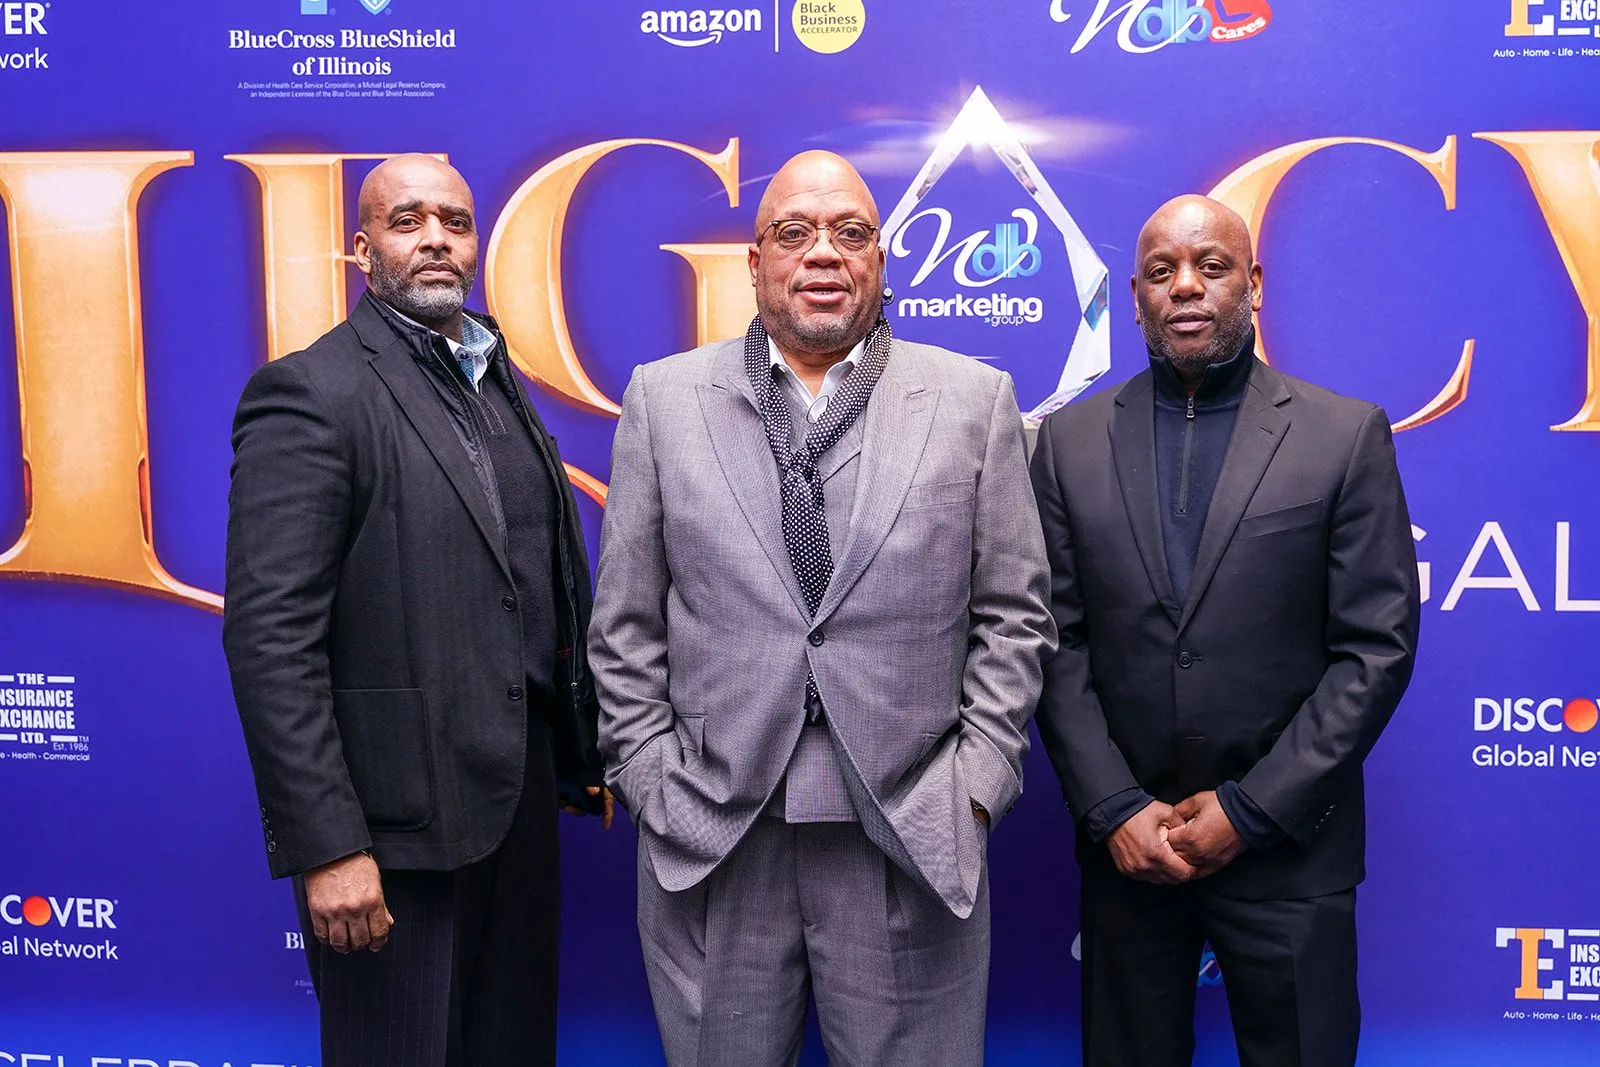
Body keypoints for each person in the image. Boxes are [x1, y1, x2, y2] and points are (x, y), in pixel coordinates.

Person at [589, 150, 1055, 1065]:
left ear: (879, 258)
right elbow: (625, 624)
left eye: (850, 232)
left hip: (913, 833)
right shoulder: (663, 400)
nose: (824, 252)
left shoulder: (973, 401)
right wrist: (649, 777)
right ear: (755, 260)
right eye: (795, 232)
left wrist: (975, 789)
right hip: (713, 833)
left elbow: (1015, 614)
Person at [222, 153, 610, 1067]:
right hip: (388, 837)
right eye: (407, 221)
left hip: (515, 808)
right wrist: (329, 846)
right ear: (362, 249)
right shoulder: (311, 392)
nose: (436, 238)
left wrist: (580, 748)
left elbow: (532, 575)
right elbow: (271, 638)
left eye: (455, 221)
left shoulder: (492, 372)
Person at [1030, 194, 1421, 1067]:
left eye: (1211, 266)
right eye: (1161, 271)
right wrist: (1113, 806)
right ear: (1135, 295)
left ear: (1254, 283)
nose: (1186, 286)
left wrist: (1251, 810)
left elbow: (1375, 649)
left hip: (1290, 854)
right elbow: (1053, 641)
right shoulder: (1067, 443)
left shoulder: (1343, 436)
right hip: (1131, 854)